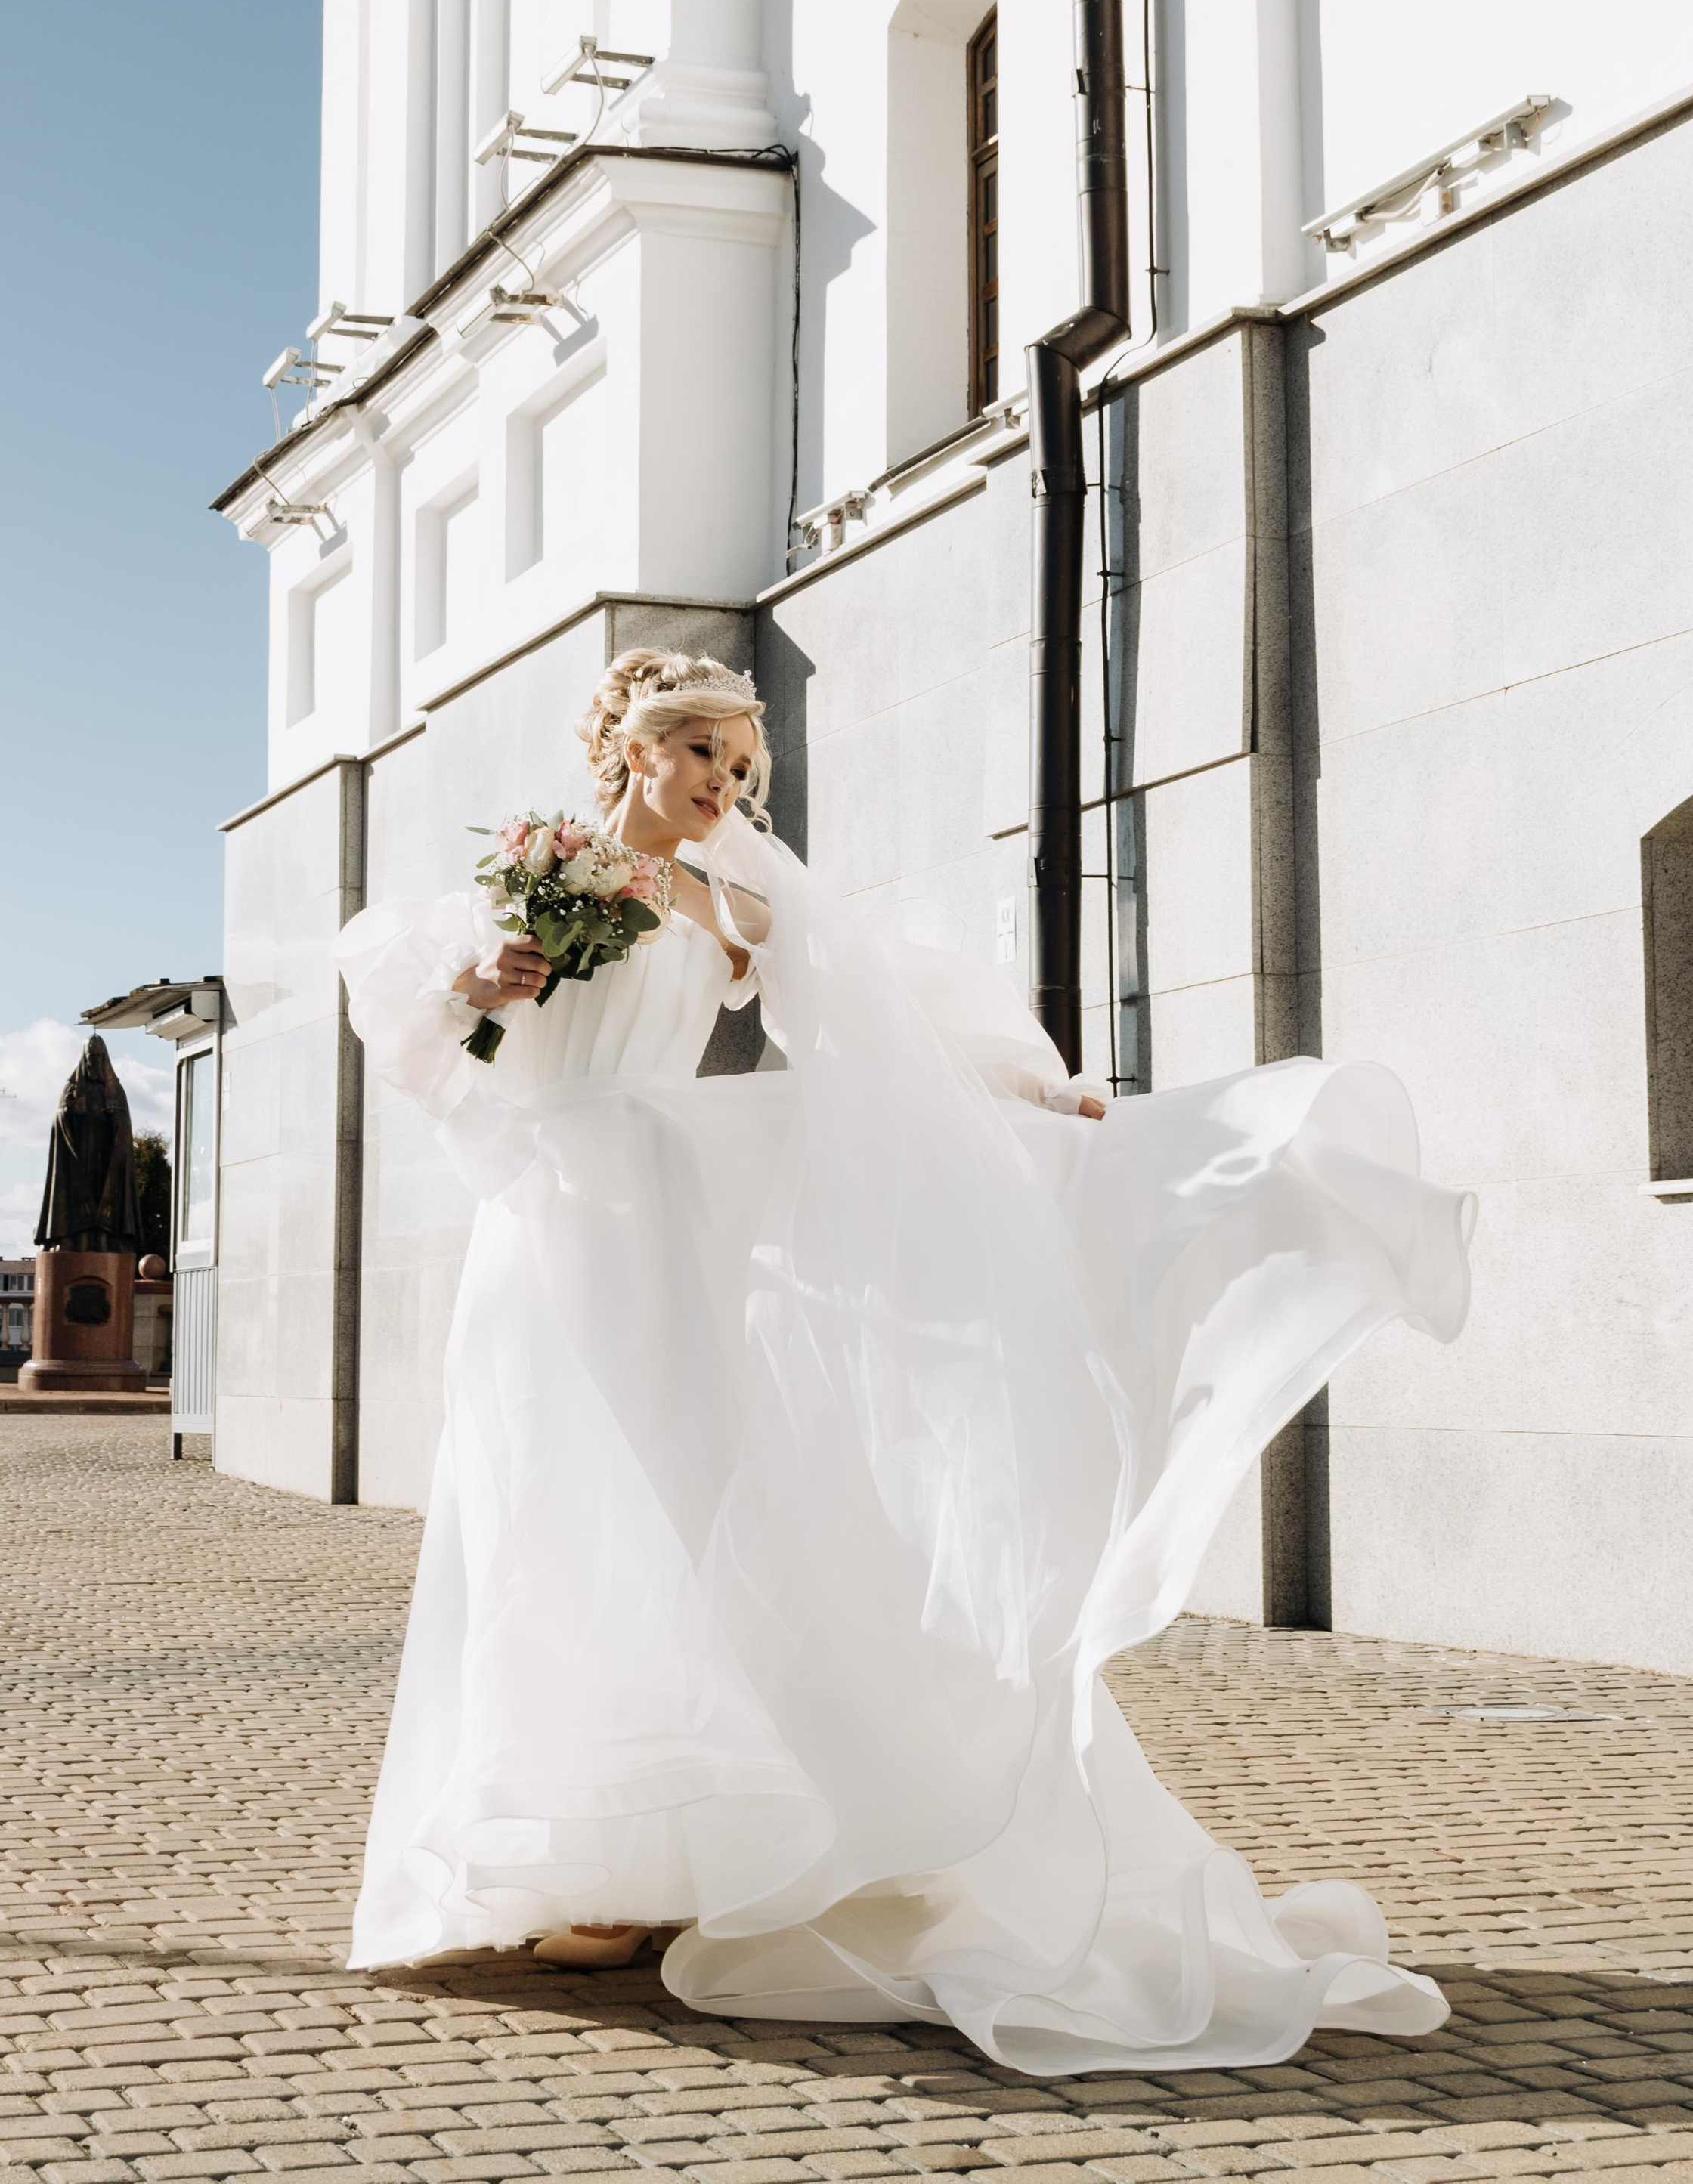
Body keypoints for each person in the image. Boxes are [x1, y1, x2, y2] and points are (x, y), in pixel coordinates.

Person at [336, 649, 1473, 2076]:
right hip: (547, 1232)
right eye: (703, 756)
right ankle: (566, 1859)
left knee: (681, 1522)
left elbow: (887, 1018)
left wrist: (1038, 1092)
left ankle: (672, 1863)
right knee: (541, 1514)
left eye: (743, 766)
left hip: (669, 1230)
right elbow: (432, 1047)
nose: (726, 786)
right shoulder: (531, 876)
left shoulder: (731, 905)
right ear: (635, 750)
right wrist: (473, 985)